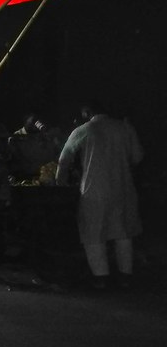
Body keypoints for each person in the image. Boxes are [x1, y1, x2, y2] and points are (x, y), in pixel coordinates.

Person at [56, 101, 143, 289]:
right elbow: (137, 157)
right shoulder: (125, 128)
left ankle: (100, 278)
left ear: (87, 112)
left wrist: (60, 183)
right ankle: (125, 277)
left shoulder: (83, 130)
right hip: (123, 188)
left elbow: (64, 160)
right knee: (123, 233)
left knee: (93, 234)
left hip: (93, 191)